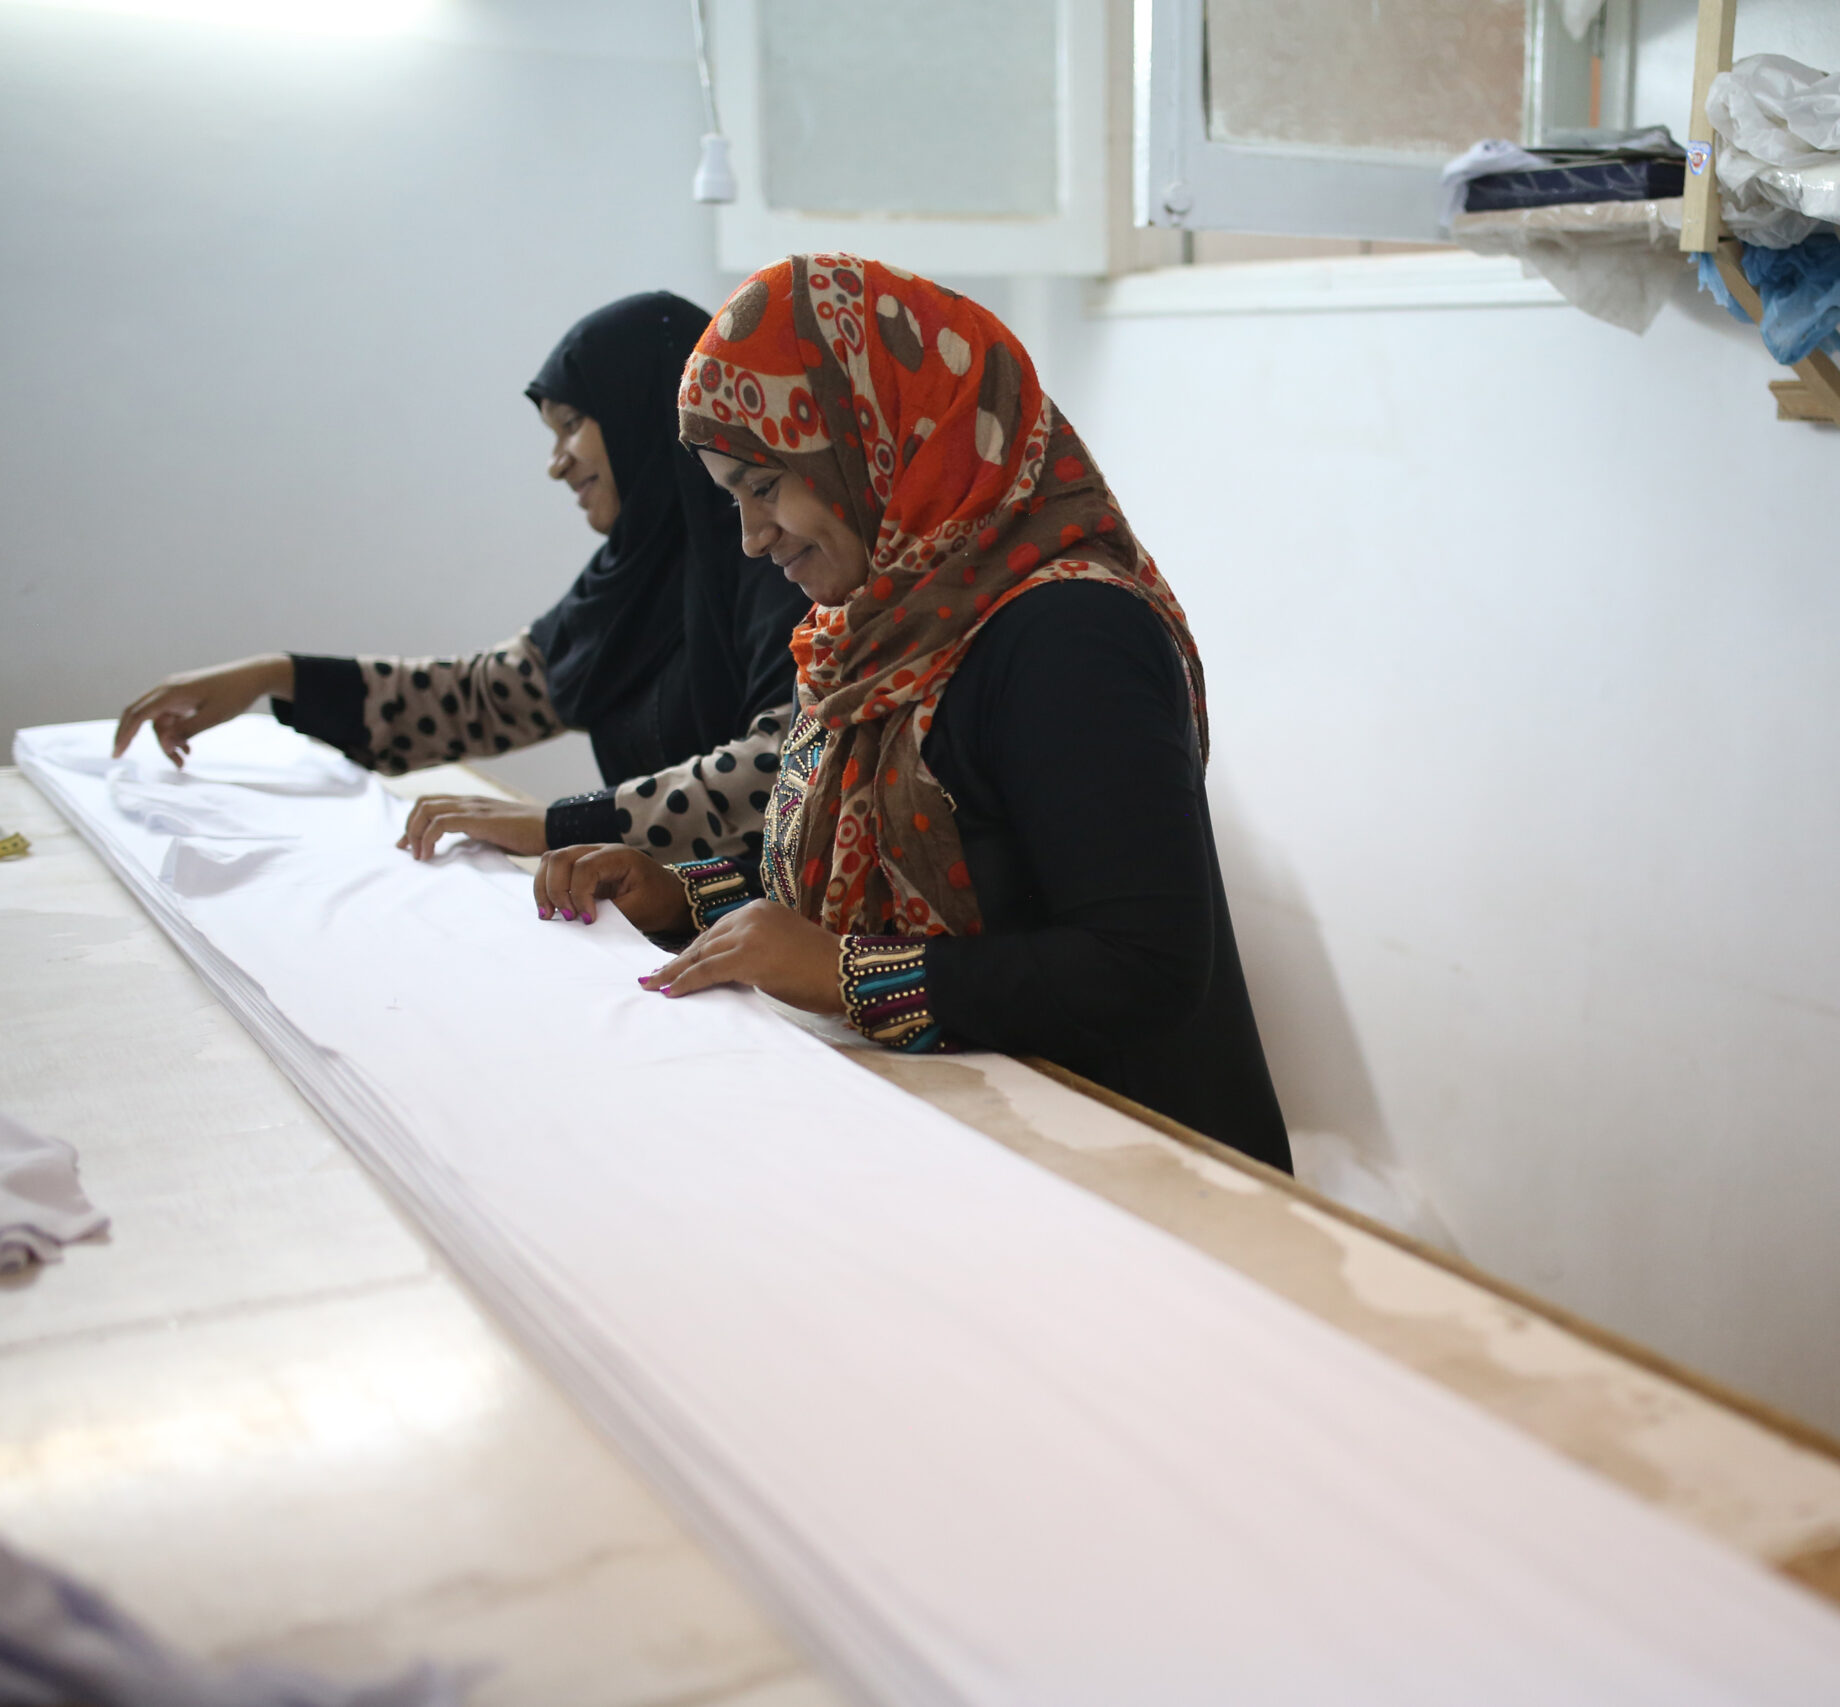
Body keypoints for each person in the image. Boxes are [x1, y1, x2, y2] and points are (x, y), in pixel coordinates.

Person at [534, 255, 1290, 1171]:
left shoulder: (1071, 633)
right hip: (980, 1139)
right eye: (731, 498)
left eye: (765, 487)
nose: (752, 537)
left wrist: (844, 976)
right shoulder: (874, 627)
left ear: (873, 437)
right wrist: (680, 894)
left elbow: (1144, 966)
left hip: (1135, 1168)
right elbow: (857, 885)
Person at [112, 293, 810, 865]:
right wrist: (275, 675)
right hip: (658, 927)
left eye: (570, 424)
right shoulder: (632, 581)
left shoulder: (777, 564)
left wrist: (557, 826)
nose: (557, 462)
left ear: (642, 411)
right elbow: (483, 696)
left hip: (765, 950)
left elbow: (773, 773)